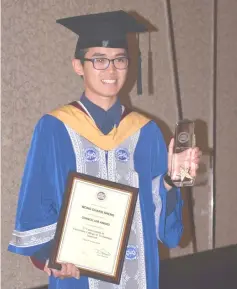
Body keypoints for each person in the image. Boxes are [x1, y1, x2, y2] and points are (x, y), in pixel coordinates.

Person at [8, 10, 201, 289]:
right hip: (79, 276)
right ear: (78, 65)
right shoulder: (55, 128)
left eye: (119, 60)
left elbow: (165, 230)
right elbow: (38, 201)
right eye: (99, 60)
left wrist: (171, 181)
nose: (111, 70)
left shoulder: (146, 132)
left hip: (138, 277)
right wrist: (50, 256)